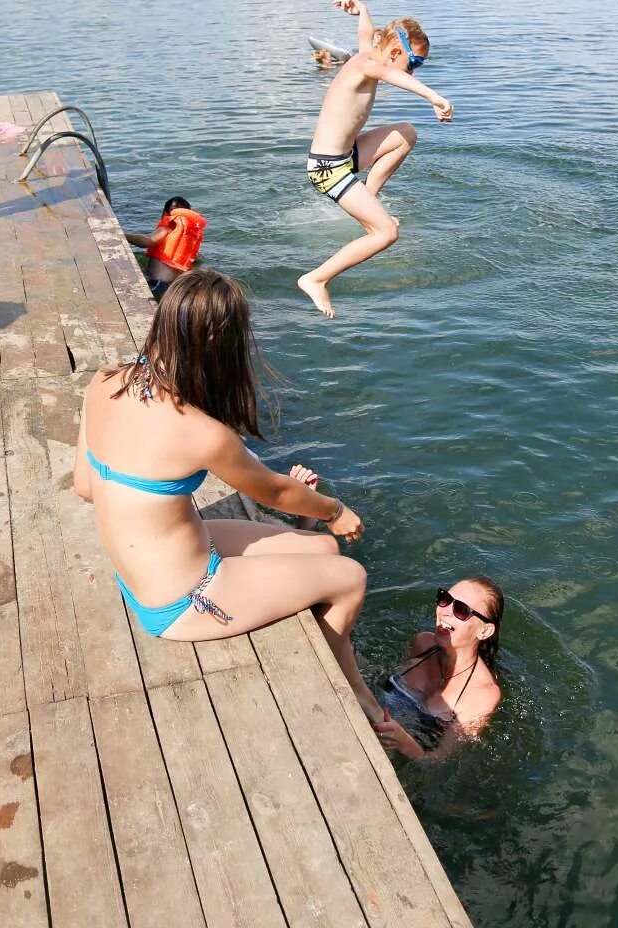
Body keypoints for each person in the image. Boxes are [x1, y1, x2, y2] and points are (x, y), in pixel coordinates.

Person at [75, 268, 386, 721]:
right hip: (184, 600)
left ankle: (340, 657)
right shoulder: (201, 433)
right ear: (221, 343)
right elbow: (276, 490)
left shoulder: (103, 382)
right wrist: (335, 510)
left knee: (320, 545)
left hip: (150, 570)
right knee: (350, 577)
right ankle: (354, 691)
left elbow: (85, 486)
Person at [297, 0, 452, 318]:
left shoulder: (368, 53)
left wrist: (362, 11)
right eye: (415, 63)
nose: (412, 70)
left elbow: (366, 36)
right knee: (386, 233)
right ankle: (316, 278)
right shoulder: (370, 64)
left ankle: (368, 199)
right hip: (329, 169)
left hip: (346, 155)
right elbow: (395, 76)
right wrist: (434, 97)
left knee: (406, 133)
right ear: (395, 53)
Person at [375, 578, 505, 760]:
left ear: (484, 631)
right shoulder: (423, 644)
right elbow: (376, 676)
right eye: (445, 599)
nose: (445, 612)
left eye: (461, 610)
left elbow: (438, 762)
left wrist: (403, 743)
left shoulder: (482, 696)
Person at [123, 196, 206, 298]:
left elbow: (148, 240)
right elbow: (195, 262)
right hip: (173, 288)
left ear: (165, 213)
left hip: (157, 285)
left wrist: (123, 235)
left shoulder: (168, 227)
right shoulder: (190, 238)